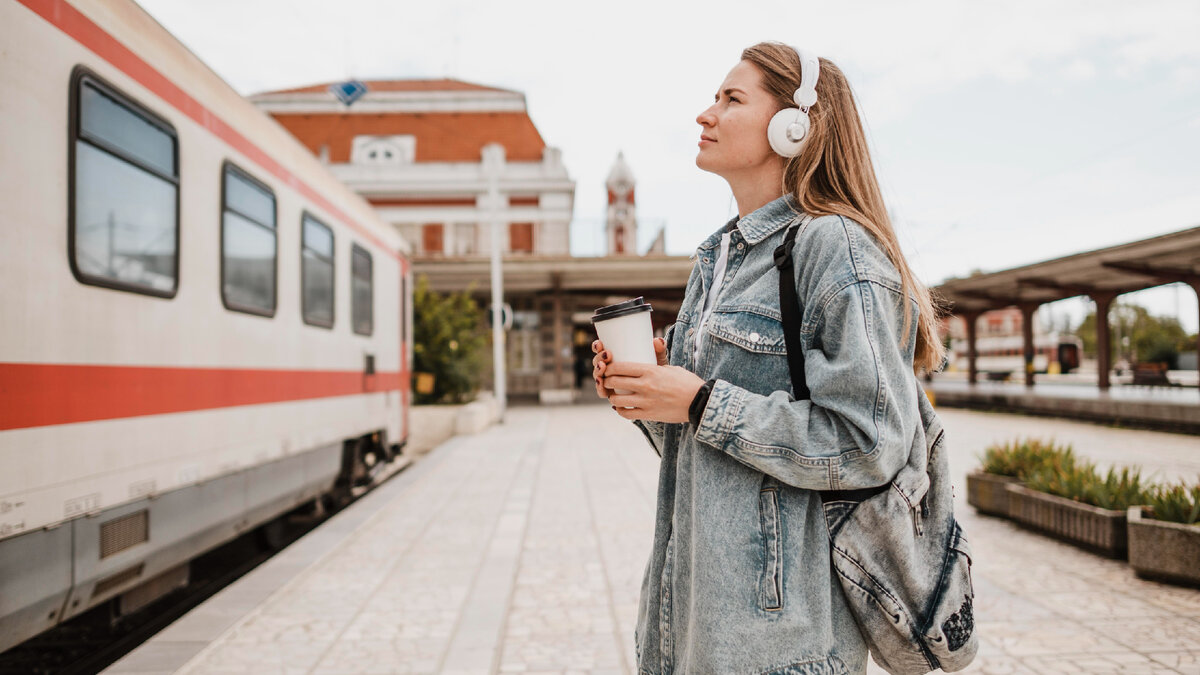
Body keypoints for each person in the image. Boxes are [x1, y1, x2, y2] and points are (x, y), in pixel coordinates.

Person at [592, 42, 947, 674]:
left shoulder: (834, 247)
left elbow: (870, 442)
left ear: (795, 125)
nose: (706, 114)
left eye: (731, 99)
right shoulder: (719, 260)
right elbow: (709, 454)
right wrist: (651, 398)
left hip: (780, 646)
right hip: (688, 628)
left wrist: (701, 401)